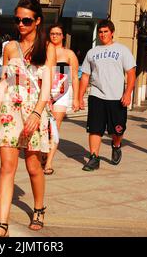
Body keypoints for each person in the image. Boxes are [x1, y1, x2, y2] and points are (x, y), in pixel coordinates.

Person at [0, 0, 56, 237]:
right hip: (10, 111)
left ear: (37, 21)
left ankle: (38, 208)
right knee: (7, 167)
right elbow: (4, 81)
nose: (21, 24)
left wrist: (37, 112)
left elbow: (47, 85)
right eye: (17, 20)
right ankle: (2, 224)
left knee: (34, 167)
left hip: (34, 111)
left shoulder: (47, 47)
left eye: (26, 20)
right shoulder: (9, 47)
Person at [78, 19, 136, 172]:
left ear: (112, 33)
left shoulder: (122, 50)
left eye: (106, 32)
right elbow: (85, 76)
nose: (103, 35)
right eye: (100, 32)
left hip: (117, 97)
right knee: (95, 129)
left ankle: (116, 145)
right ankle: (94, 158)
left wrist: (128, 93)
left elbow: (131, 73)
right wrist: (79, 97)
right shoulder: (92, 52)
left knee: (117, 130)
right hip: (96, 95)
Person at [41, 23, 80, 175]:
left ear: (63, 36)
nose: (55, 36)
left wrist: (76, 98)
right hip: (44, 91)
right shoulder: (44, 51)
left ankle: (49, 161)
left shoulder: (69, 54)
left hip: (61, 94)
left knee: (54, 128)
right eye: (52, 34)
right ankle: (43, 153)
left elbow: (75, 78)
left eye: (58, 33)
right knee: (43, 127)